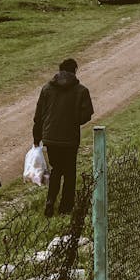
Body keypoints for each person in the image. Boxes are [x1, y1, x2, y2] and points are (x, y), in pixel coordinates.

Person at [33, 58, 94, 217]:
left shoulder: (47, 88)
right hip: (70, 138)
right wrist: (73, 119)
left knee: (56, 169)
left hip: (50, 137)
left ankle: (50, 200)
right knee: (69, 172)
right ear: (74, 71)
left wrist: (36, 137)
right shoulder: (81, 90)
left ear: (59, 70)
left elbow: (38, 115)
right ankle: (65, 208)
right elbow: (86, 115)